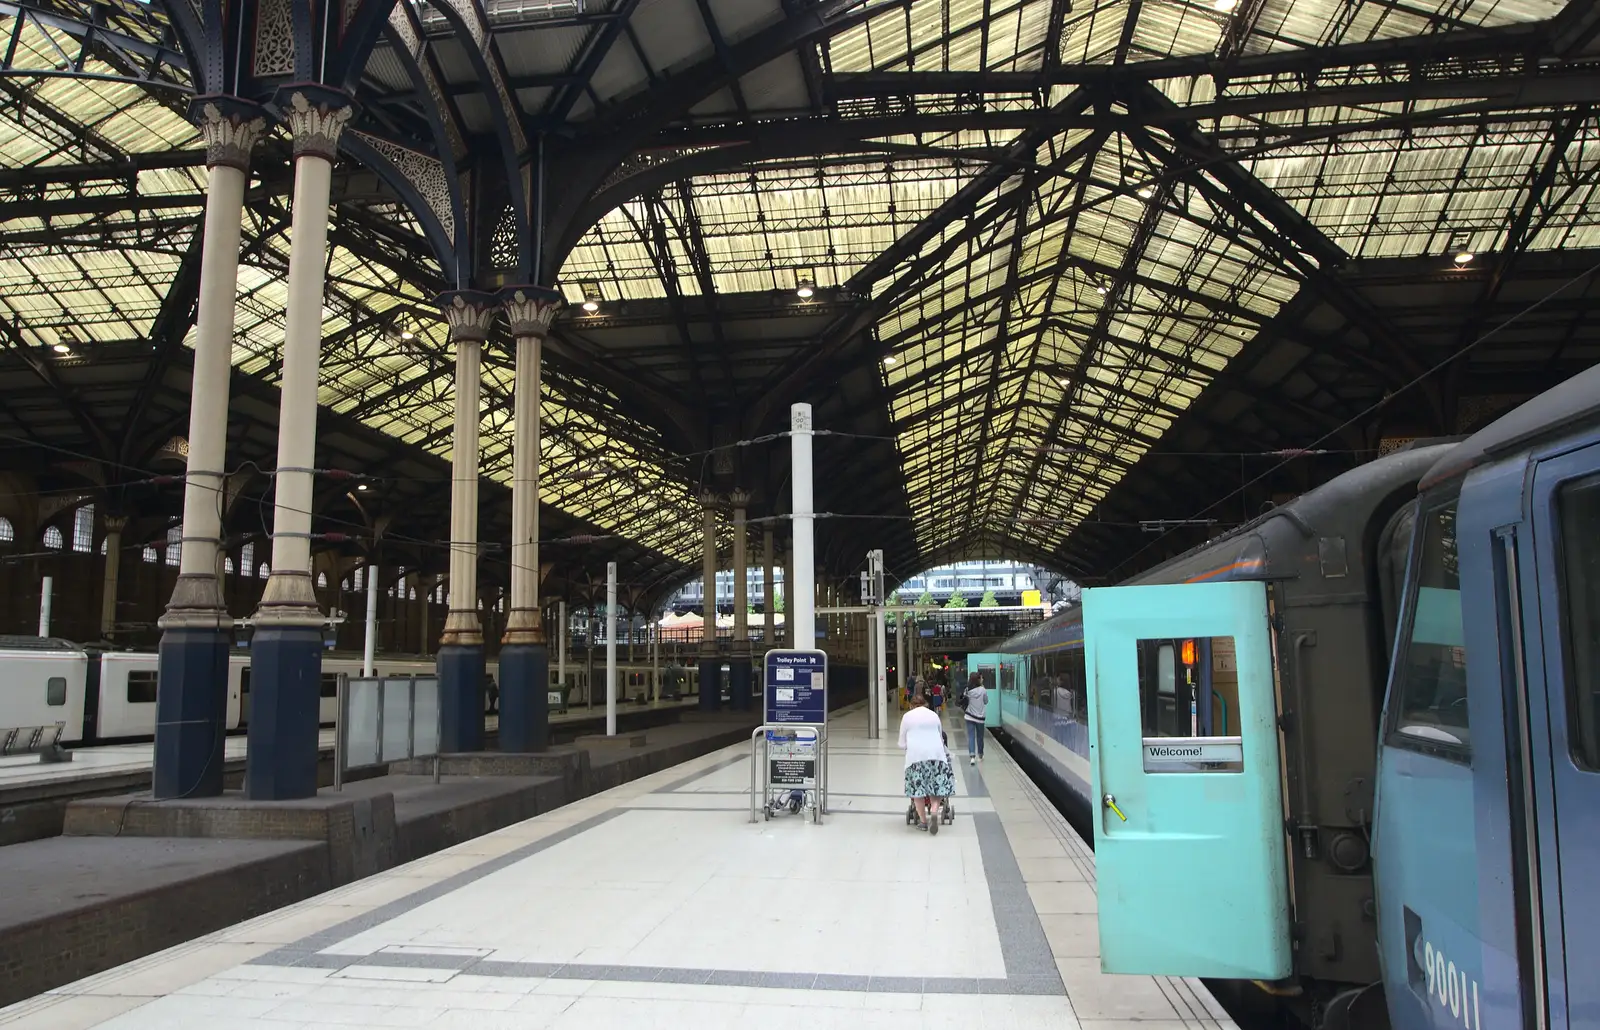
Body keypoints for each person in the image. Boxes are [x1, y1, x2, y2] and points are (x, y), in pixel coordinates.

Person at [898, 691, 953, 833]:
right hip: (936, 756)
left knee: (917, 792)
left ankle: (923, 822)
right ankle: (934, 812)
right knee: (936, 789)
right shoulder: (934, 715)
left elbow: (902, 743)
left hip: (916, 758)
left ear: (911, 706)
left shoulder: (907, 717)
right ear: (925, 704)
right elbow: (941, 739)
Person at [962, 673, 987, 764]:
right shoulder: (983, 690)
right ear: (978, 680)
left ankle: (972, 757)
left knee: (971, 736)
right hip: (980, 717)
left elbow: (964, 699)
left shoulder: (967, 690)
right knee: (980, 737)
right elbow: (986, 701)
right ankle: (980, 755)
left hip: (969, 716)